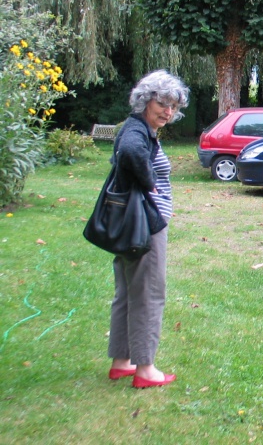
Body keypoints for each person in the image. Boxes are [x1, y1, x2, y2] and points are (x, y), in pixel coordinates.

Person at [106, 70, 189, 388]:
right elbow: (129, 154)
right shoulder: (136, 133)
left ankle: (122, 361)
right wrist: (149, 183)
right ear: (146, 100)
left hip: (130, 223)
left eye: (173, 106)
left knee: (127, 292)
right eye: (163, 103)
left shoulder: (138, 128)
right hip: (144, 225)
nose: (168, 111)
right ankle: (145, 369)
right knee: (149, 294)